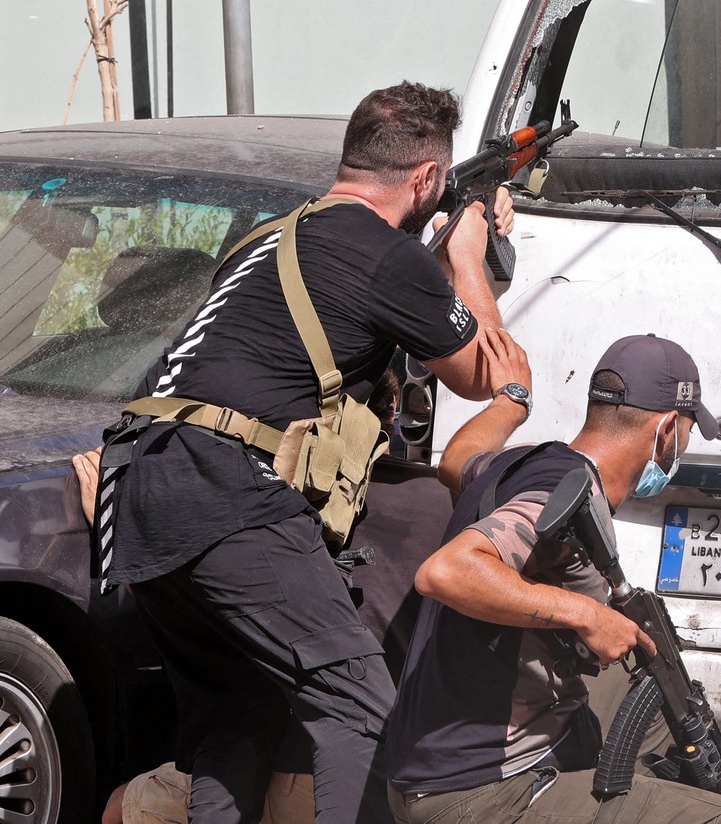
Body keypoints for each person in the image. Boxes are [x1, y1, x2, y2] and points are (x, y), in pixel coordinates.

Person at [99, 80, 515, 824]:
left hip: (140, 483)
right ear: (426, 176)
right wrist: (468, 253)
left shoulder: (266, 237)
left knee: (237, 717)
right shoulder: (390, 257)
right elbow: (486, 373)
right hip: (229, 490)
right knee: (362, 707)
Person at [385, 330, 721, 824]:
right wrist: (586, 614)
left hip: (434, 759)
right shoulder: (563, 493)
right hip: (477, 789)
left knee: (657, 690)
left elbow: (456, 461)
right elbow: (447, 571)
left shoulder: (523, 462)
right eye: (689, 431)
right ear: (667, 429)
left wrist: (510, 403)